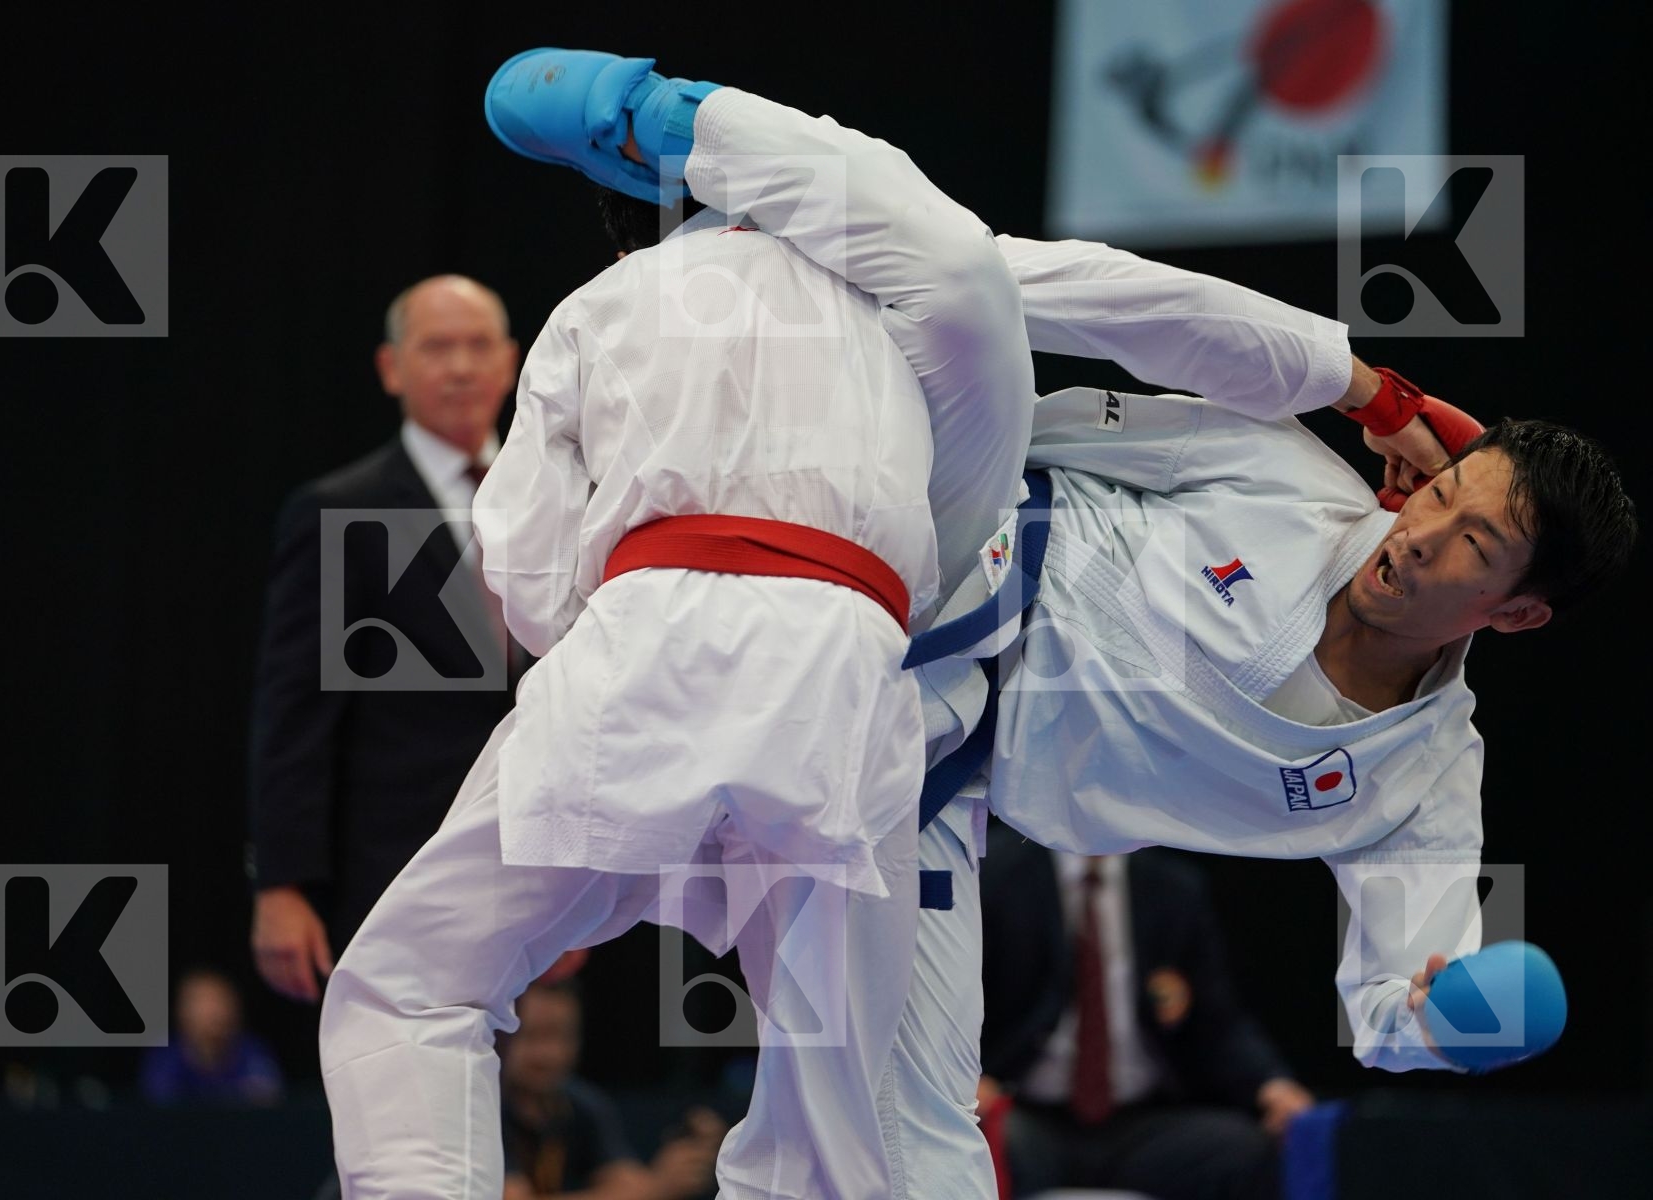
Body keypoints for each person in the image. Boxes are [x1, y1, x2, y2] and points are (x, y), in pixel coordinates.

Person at [495, 55, 1634, 1199]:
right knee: (969, 273)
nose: (1423, 537)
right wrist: (1360, 390)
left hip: (928, 782)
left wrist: (1453, 1020)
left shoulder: (1421, 781)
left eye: (1473, 550)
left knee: (907, 1160)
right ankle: (680, 138)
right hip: (952, 529)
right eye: (1441, 495)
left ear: (1517, 613)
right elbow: (1108, 315)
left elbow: (1390, 1008)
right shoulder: (1290, 488)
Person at [318, 49, 1034, 1200]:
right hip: (853, 672)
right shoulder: (902, 310)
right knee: (840, 1102)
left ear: (624, 235)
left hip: (652, 644)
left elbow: (533, 579)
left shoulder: (606, 303)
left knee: (412, 987)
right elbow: (968, 494)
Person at [247, 275, 522, 1001]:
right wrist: (281, 881)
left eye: (477, 346)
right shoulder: (344, 509)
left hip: (538, 866)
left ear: (512, 361)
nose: (461, 367)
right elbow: (295, 711)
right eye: (437, 347)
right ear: (392, 368)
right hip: (396, 869)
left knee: (524, 1099)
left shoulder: (561, 496)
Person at [980, 843, 1313, 1199]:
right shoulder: (996, 874)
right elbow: (955, 998)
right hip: (1026, 1111)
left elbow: (1216, 1020)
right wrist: (966, 1080)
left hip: (1140, 1121)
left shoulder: (1171, 885)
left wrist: (1271, 1084)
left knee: (1243, 1148)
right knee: (983, 1142)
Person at [500, 980, 725, 1199]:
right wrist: (656, 1187)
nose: (550, 1053)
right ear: (498, 1035)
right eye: (532, 1036)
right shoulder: (483, 1108)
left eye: (564, 1036)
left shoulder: (580, 1103)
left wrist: (687, 1159)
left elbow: (628, 1181)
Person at [139, 967, 284, 1106]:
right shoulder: (164, 1058)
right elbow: (159, 1109)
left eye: (221, 1001)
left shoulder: (254, 1054)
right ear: (182, 1012)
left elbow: (267, 1103)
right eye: (204, 1003)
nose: (216, 1012)